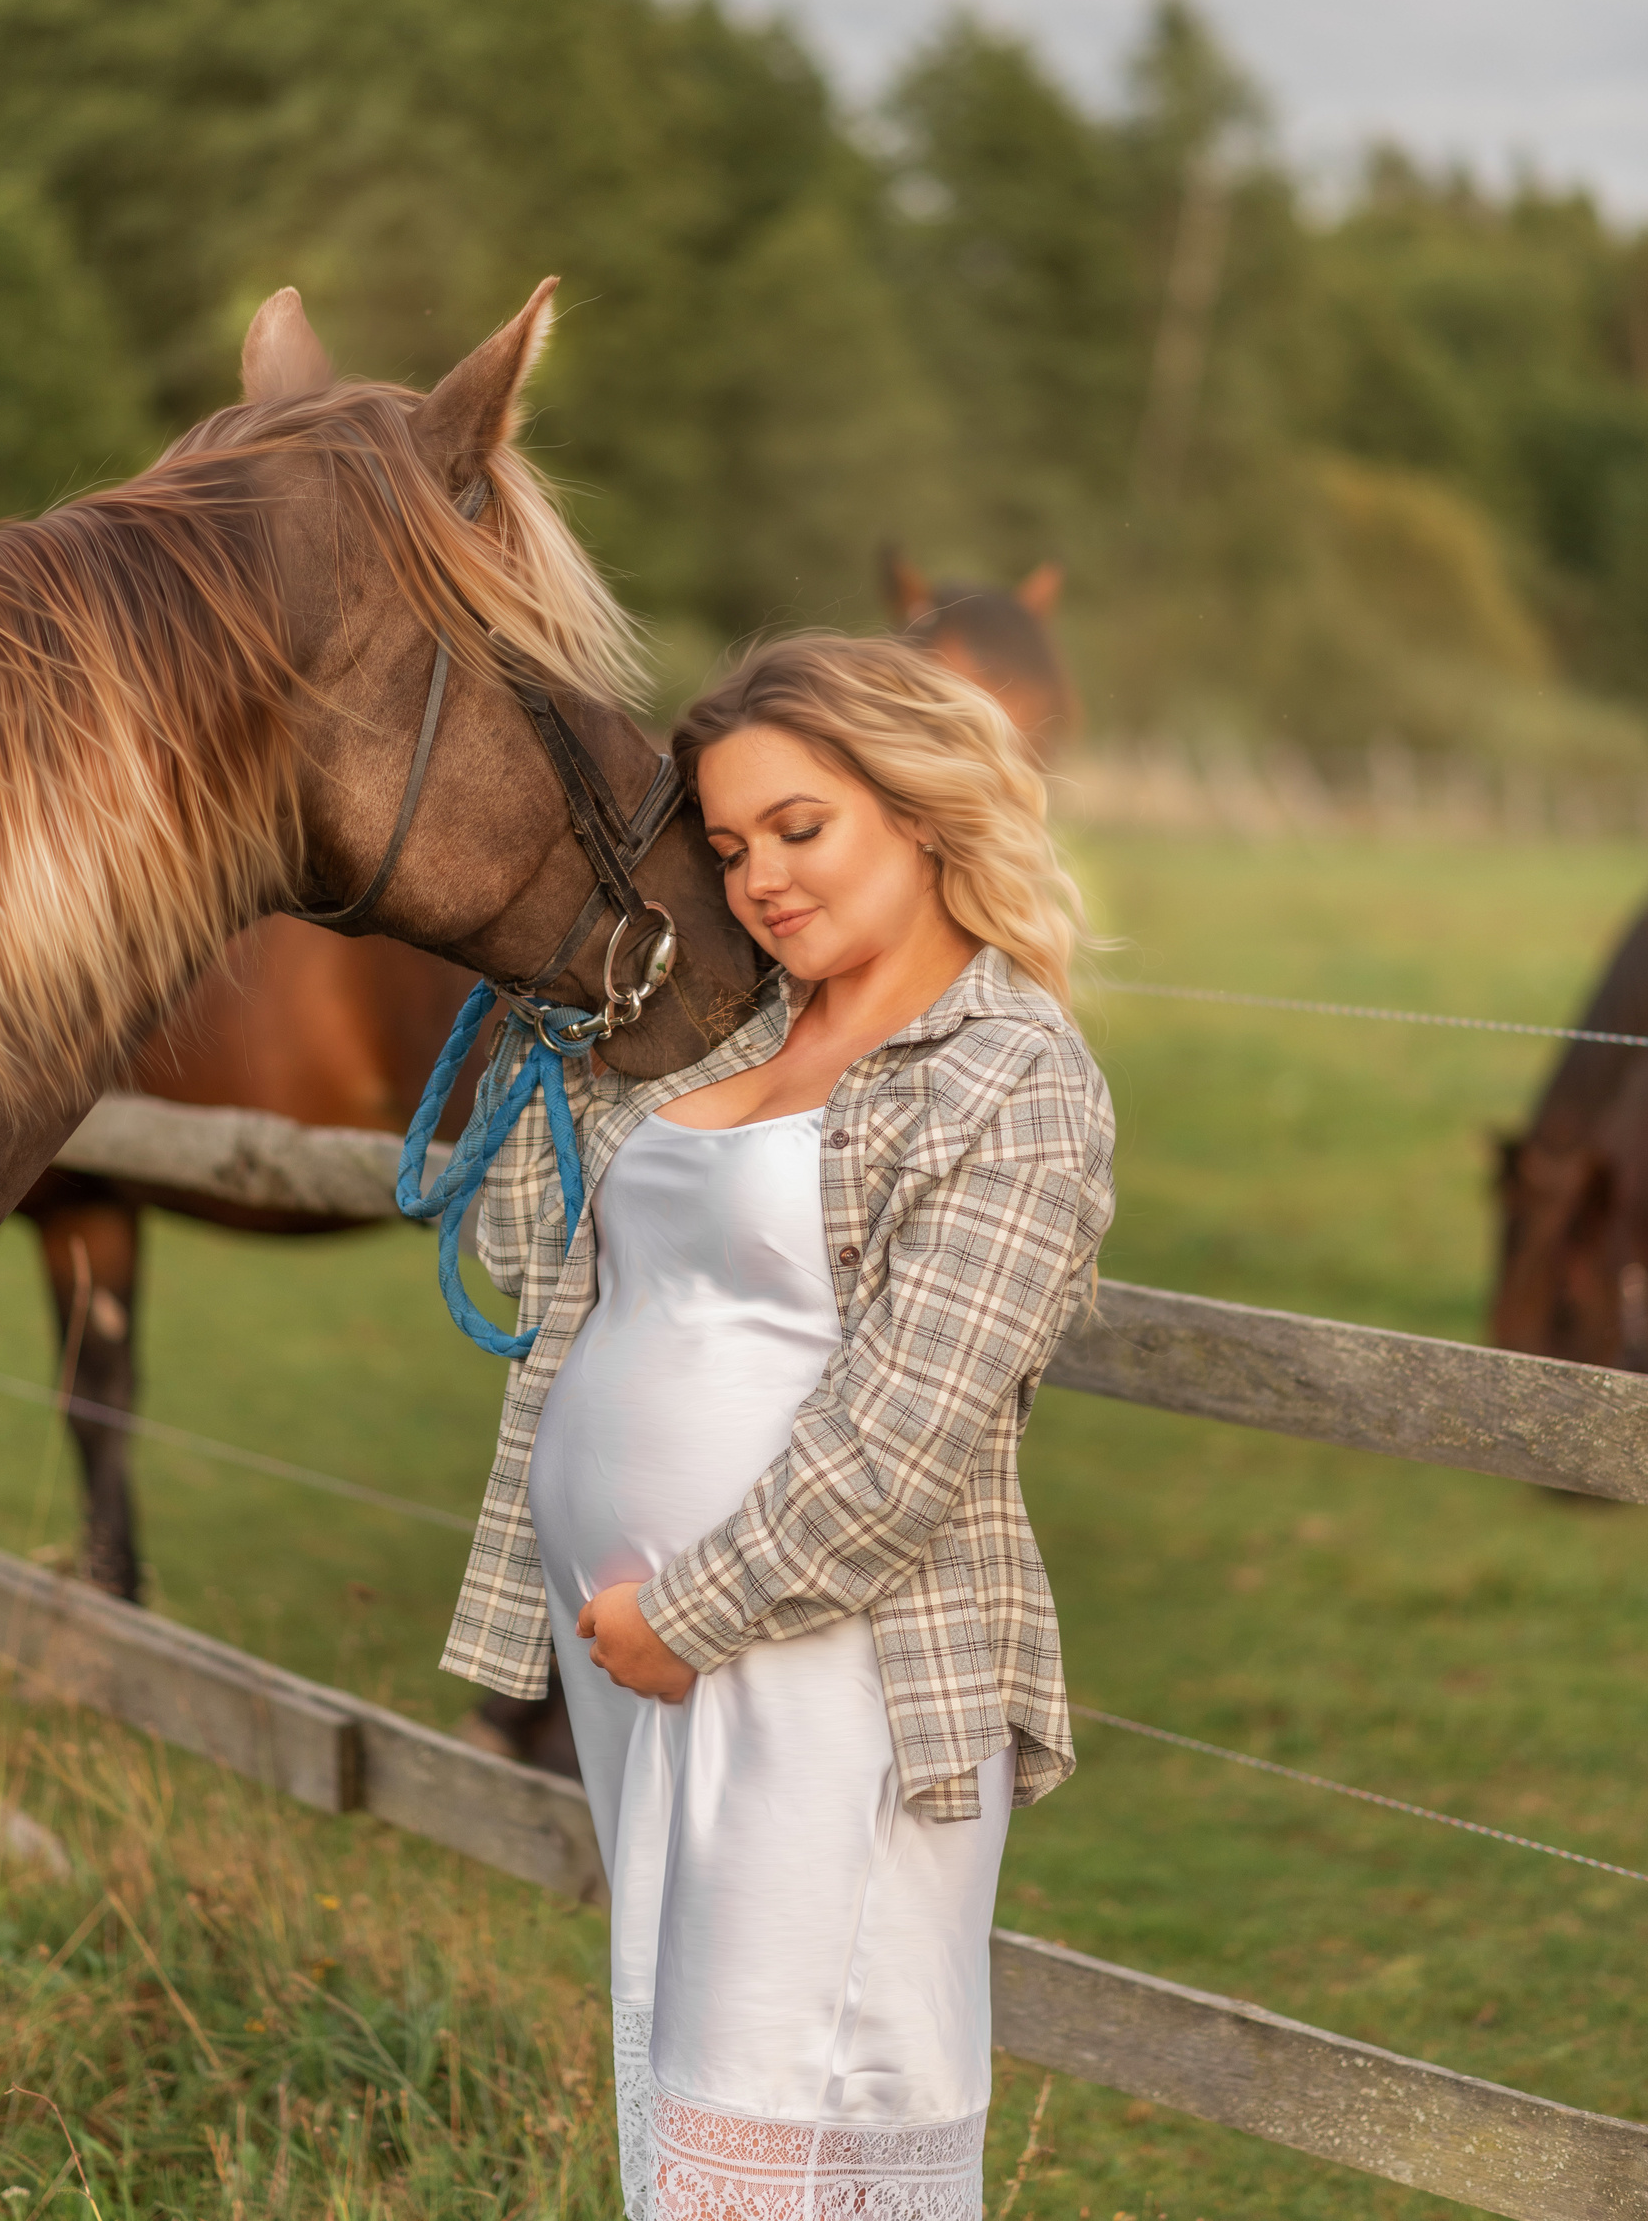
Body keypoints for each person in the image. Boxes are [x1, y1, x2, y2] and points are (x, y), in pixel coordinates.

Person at [444, 632, 1115, 2221]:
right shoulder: (733, 1040)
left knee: (811, 2071)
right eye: (732, 847)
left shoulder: (1013, 1080)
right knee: (694, 2065)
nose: (759, 883)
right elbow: (523, 1253)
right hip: (641, 1657)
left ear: (925, 808)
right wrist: (545, 1005)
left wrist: (688, 1615)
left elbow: (908, 1439)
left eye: (800, 830)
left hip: (818, 1656)